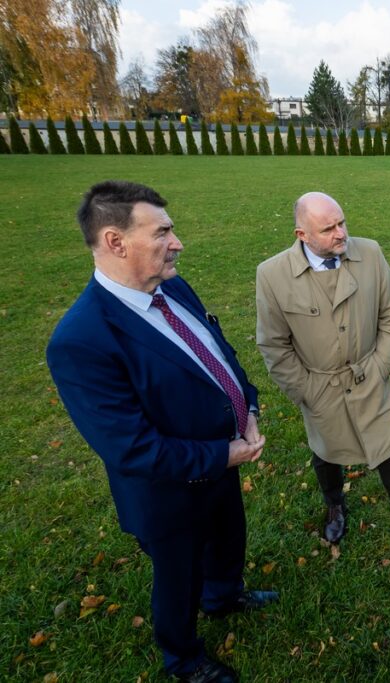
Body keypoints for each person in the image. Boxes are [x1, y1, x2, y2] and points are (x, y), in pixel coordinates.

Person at [46, 181, 277, 683]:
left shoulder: (171, 285)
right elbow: (131, 448)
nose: (178, 243)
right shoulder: (81, 340)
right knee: (178, 578)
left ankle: (223, 596)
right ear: (115, 242)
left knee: (227, 539)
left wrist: (249, 403)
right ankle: (184, 657)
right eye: (163, 232)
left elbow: (217, 350)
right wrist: (225, 454)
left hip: (222, 461)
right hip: (168, 495)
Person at [255, 191, 390, 549]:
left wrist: (381, 366)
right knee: (326, 451)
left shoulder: (370, 253)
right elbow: (273, 344)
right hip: (320, 386)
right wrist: (306, 390)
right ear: (302, 235)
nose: (341, 233)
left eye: (342, 222)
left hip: (369, 376)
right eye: (329, 228)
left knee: (388, 448)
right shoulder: (271, 275)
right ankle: (335, 508)